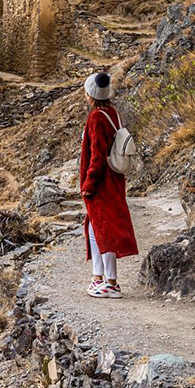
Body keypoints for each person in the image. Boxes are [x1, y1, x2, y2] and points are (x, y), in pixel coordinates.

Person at [80, 72, 138, 298]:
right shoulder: (113, 113)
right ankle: (100, 279)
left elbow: (97, 155)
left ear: (91, 95)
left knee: (101, 229)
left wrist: (88, 183)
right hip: (114, 178)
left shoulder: (96, 118)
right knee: (100, 228)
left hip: (102, 182)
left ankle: (108, 283)